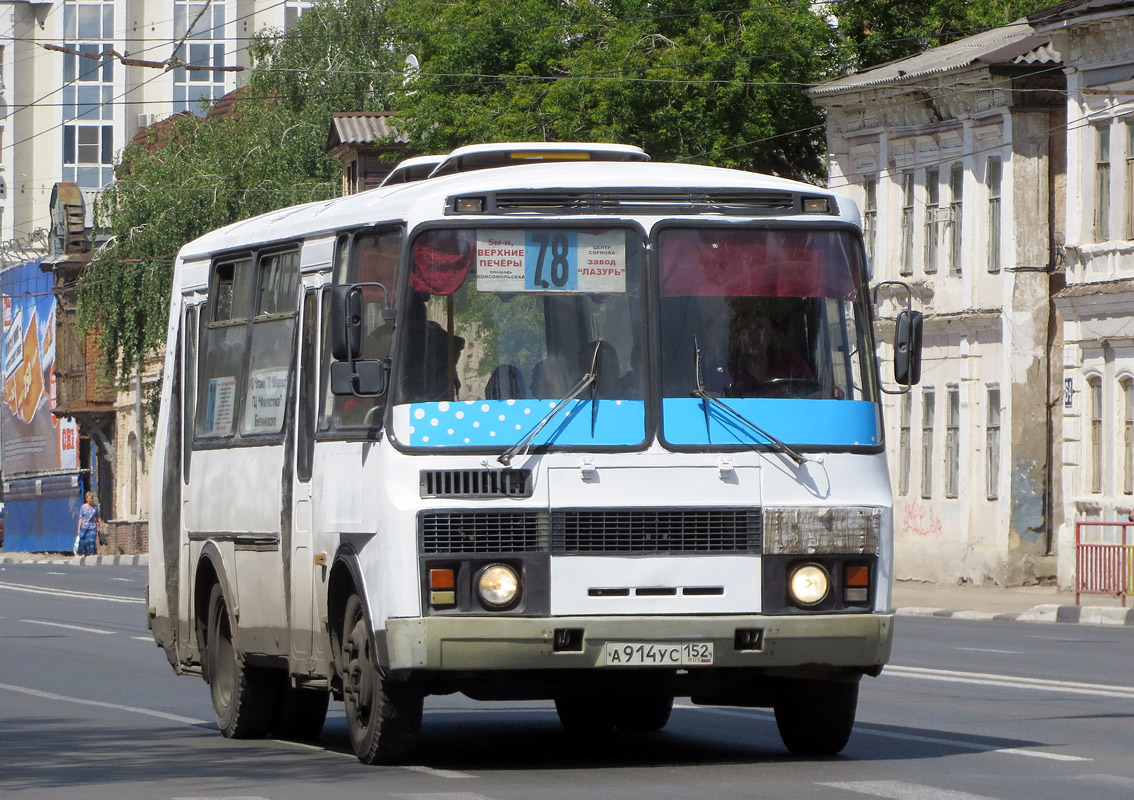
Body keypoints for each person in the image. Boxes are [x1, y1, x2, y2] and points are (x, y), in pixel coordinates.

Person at [725, 309, 815, 398]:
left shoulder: (793, 364)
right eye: (746, 328)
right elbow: (713, 395)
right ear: (737, 336)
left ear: (771, 333)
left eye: (759, 327)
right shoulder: (725, 369)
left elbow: (817, 394)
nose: (753, 334)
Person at [76, 492, 102, 556]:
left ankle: (91, 553)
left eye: (91, 498)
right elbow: (81, 518)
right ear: (86, 499)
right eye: (89, 498)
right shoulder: (83, 507)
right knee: (83, 539)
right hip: (84, 526)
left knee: (91, 540)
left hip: (92, 527)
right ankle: (83, 553)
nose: (90, 500)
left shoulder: (95, 507)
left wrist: (100, 526)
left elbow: (98, 517)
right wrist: (79, 528)